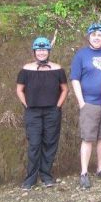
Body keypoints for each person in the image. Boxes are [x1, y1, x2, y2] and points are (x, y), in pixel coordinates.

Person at [16, 37, 69, 191]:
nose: (41, 52)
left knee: (50, 143)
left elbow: (65, 89)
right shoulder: (26, 69)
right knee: (34, 144)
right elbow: (19, 89)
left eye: (44, 49)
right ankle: (30, 178)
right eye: (38, 50)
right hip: (33, 112)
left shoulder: (57, 69)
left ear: (48, 51)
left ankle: (46, 175)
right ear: (34, 52)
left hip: (52, 111)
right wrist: (26, 104)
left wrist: (58, 106)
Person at [70, 23, 101, 189]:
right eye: (93, 34)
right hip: (89, 103)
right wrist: (82, 102)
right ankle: (84, 172)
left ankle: (100, 169)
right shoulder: (81, 55)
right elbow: (75, 79)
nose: (96, 37)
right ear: (88, 36)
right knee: (88, 139)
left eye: (100, 35)